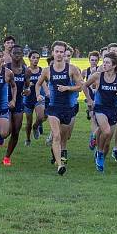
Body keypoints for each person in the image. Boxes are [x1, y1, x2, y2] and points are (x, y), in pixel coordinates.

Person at [35, 41, 84, 175]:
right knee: (56, 136)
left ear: (64, 53)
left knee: (64, 137)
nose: (59, 54)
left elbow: (80, 86)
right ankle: (60, 165)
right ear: (53, 53)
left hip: (67, 108)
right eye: (56, 51)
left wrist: (68, 88)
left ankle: (56, 152)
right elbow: (38, 84)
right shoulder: (47, 71)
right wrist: (38, 95)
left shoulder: (71, 69)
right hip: (53, 108)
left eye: (61, 52)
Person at [84, 53, 117, 172]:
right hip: (100, 108)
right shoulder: (97, 76)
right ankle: (99, 154)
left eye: (107, 63)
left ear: (114, 65)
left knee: (107, 136)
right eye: (104, 62)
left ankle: (94, 135)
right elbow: (84, 86)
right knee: (107, 131)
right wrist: (89, 100)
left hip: (113, 110)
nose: (104, 64)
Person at [3, 45, 28, 166]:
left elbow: (27, 86)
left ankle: (7, 156)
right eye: (15, 53)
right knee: (6, 131)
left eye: (19, 53)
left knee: (16, 131)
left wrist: (27, 90)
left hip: (18, 102)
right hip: (4, 102)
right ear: (10, 54)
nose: (17, 55)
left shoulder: (25, 70)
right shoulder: (5, 68)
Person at [24, 50, 46, 146]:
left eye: (37, 58)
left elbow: (46, 83)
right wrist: (27, 85)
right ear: (29, 58)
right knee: (28, 121)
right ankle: (28, 139)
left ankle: (36, 126)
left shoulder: (42, 71)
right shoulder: (25, 71)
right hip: (28, 99)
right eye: (33, 57)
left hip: (39, 98)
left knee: (41, 117)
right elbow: (20, 85)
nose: (36, 60)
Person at [84, 51, 100, 150]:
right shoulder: (85, 71)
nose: (93, 62)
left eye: (95, 60)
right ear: (89, 60)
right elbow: (81, 83)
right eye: (92, 60)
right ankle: (93, 137)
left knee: (98, 120)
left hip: (99, 97)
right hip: (90, 97)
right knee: (93, 117)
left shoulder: (100, 71)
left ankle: (94, 134)